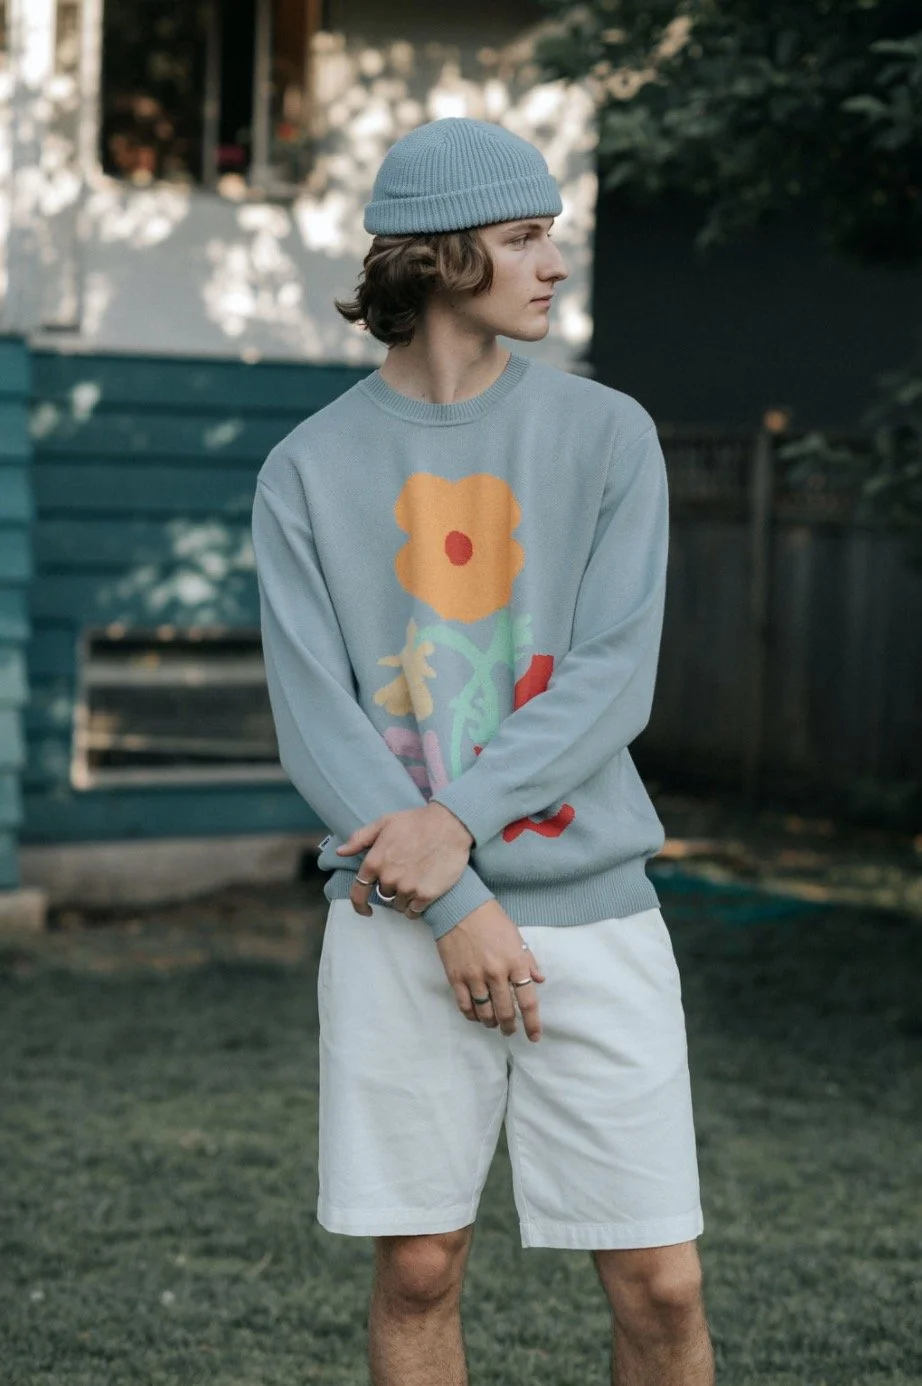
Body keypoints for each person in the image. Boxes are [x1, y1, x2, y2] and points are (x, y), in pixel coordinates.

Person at [251, 116, 714, 1386]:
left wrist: (453, 829)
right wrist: (454, 902)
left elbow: (612, 679)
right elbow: (316, 717)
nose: (553, 264)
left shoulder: (607, 432)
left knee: (662, 1283)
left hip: (594, 914)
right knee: (418, 1266)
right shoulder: (306, 469)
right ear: (440, 256)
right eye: (522, 238)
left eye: (550, 236)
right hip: (399, 921)